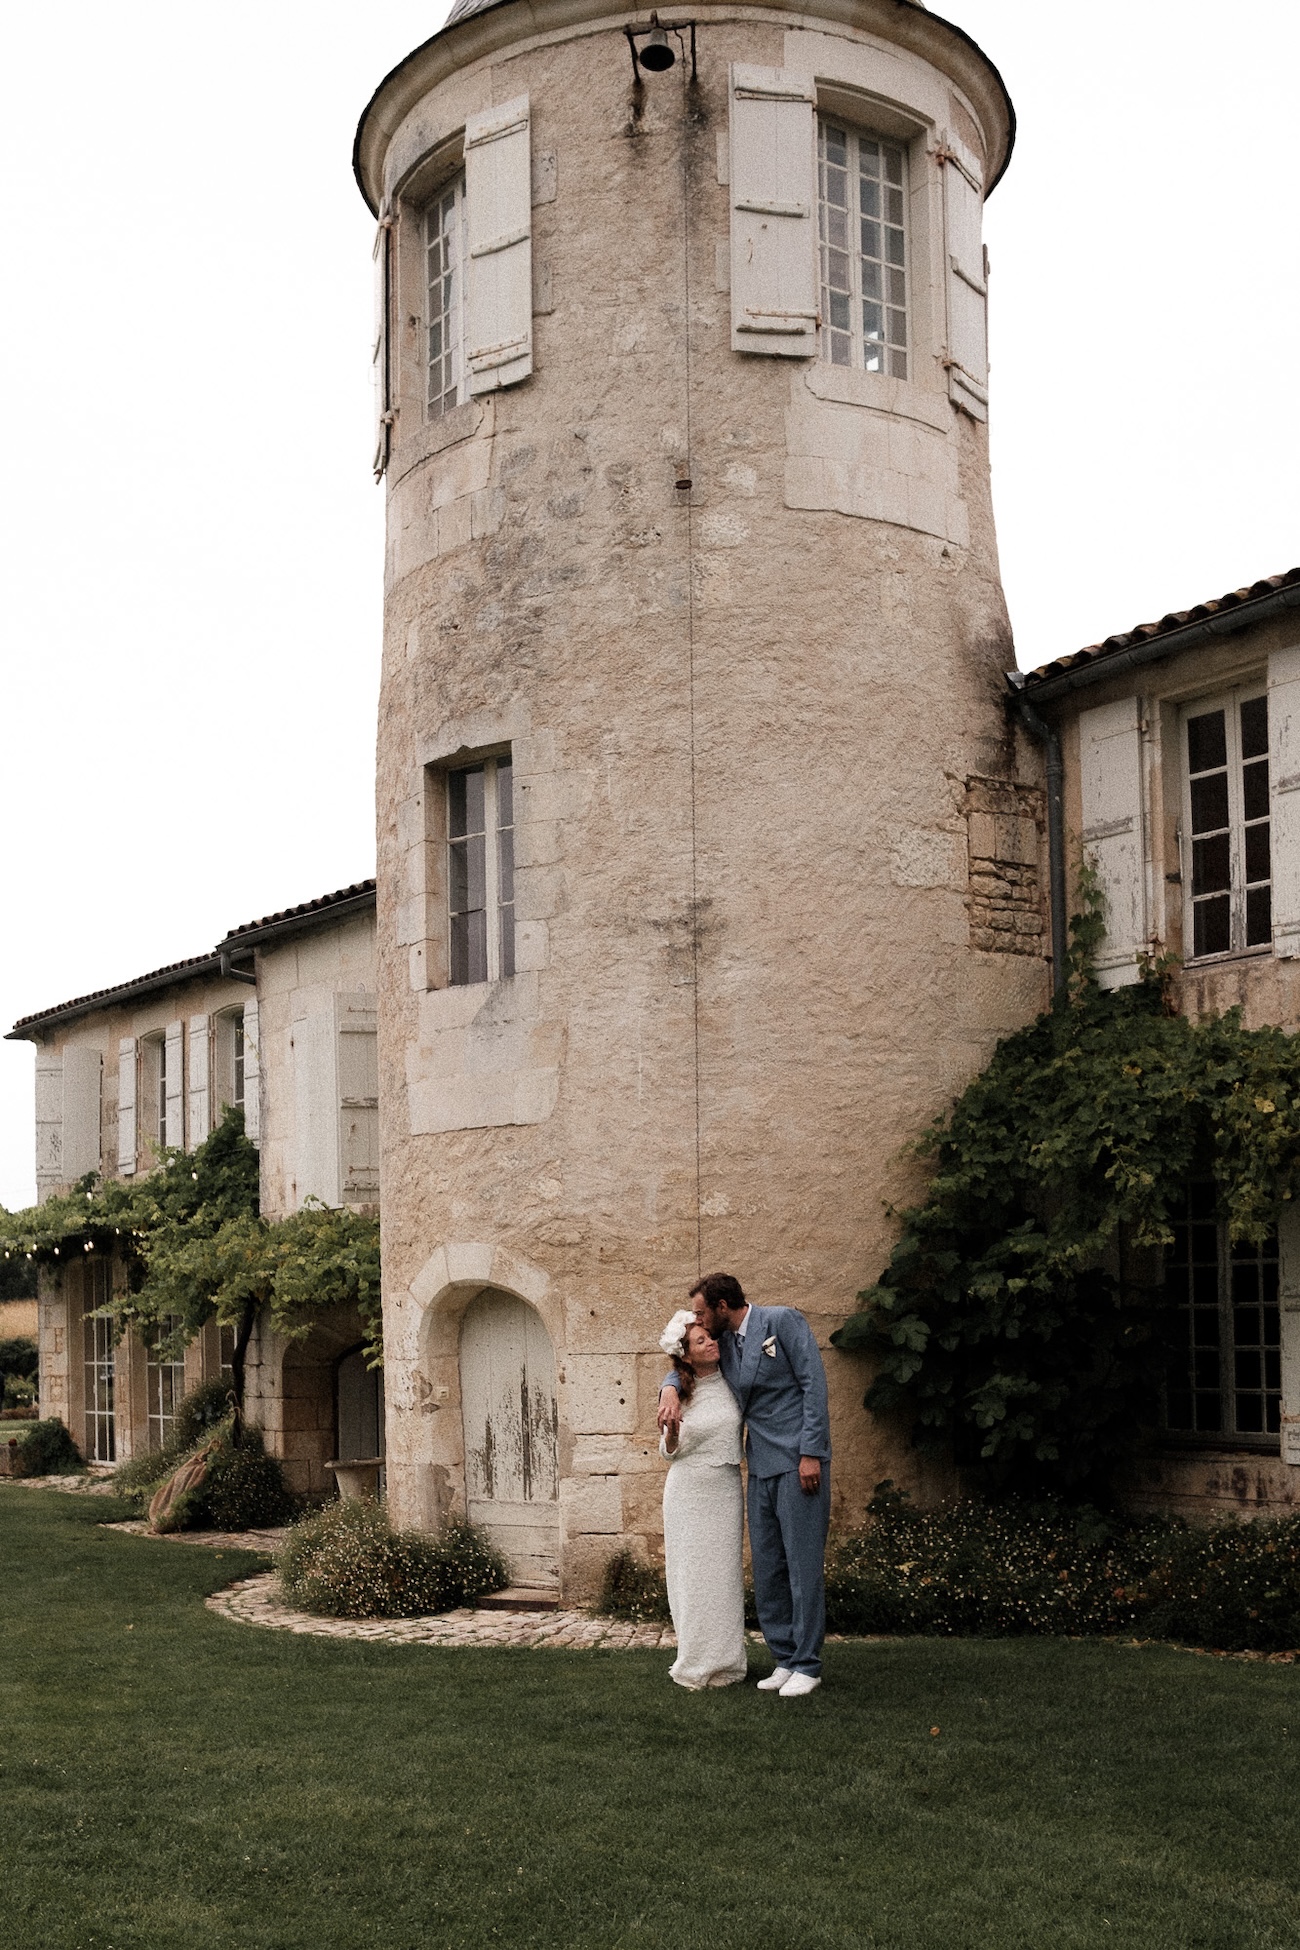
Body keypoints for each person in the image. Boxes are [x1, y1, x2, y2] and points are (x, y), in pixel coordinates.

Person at [659, 1272, 831, 1697]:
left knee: (801, 1565)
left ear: (721, 1307)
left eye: (701, 1311)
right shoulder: (726, 1347)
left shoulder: (783, 1322)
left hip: (798, 1463)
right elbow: (687, 1366)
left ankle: (808, 1664)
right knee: (769, 1567)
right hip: (759, 1467)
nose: (697, 1320)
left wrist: (812, 1453)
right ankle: (785, 1658)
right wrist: (668, 1389)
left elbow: (814, 1386)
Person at [656, 1310, 748, 1690]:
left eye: (710, 1337)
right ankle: (694, 1660)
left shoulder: (735, 1379)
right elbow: (667, 1451)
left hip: (725, 1488)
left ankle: (728, 1662)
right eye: (700, 1341)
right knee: (692, 1577)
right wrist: (673, 1435)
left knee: (724, 1577)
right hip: (688, 1491)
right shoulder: (679, 1391)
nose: (711, 1342)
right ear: (687, 1355)